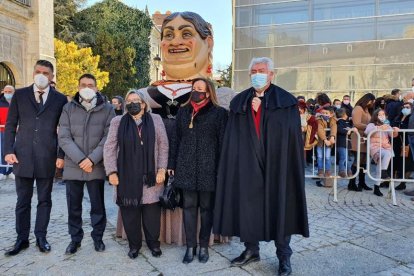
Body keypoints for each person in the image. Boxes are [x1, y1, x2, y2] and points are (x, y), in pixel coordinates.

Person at [134, 11, 232, 246]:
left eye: (186, 33)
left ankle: (202, 241)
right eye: (169, 35)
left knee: (203, 204)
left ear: (208, 43)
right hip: (162, 167)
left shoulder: (224, 99)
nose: (175, 41)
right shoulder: (141, 95)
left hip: (206, 167)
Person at [214, 57, 309, 276]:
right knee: (248, 208)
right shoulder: (239, 102)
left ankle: (284, 256)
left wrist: (262, 111)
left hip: (278, 166)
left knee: (280, 209)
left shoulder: (285, 101)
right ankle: (251, 249)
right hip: (247, 164)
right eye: (254, 71)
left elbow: (287, 135)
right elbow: (234, 136)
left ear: (271, 74)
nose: (258, 74)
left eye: (262, 70)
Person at [3, 60, 68, 256]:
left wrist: (61, 155)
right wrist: (8, 150)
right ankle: (21, 239)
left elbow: (64, 130)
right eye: (38, 71)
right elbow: (10, 124)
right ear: (33, 73)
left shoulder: (60, 99)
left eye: (46, 72)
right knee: (23, 201)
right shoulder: (20, 95)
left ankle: (41, 237)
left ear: (52, 76)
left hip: (47, 157)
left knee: (44, 200)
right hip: (22, 156)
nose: (41, 75)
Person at [167, 78, 227, 264]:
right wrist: (172, 164)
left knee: (206, 210)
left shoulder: (219, 113)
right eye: (194, 88)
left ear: (208, 92)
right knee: (189, 208)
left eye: (200, 89)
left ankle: (203, 246)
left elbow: (223, 143)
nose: (196, 92)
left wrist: (221, 169)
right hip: (186, 167)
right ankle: (190, 246)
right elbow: (175, 139)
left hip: (209, 169)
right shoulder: (183, 112)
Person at [104, 90, 168, 259]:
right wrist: (111, 171)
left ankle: (154, 244)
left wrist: (162, 169)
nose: (132, 103)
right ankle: (134, 246)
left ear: (144, 104)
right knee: (130, 214)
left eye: (136, 100)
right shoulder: (118, 121)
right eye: (129, 101)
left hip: (151, 176)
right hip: (126, 178)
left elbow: (163, 146)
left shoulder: (156, 120)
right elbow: (109, 148)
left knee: (152, 216)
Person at [58, 74, 115, 255]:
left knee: (97, 205)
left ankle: (97, 238)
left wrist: (91, 159)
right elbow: (64, 137)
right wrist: (81, 160)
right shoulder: (68, 108)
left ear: (97, 88)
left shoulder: (108, 109)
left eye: (90, 84)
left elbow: (109, 138)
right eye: (83, 84)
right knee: (73, 206)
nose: (87, 87)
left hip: (95, 165)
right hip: (74, 166)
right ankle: (75, 239)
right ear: (78, 87)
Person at [365, 109, 399, 196]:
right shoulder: (371, 124)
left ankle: (377, 187)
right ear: (375, 116)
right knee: (387, 154)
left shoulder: (386, 125)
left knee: (380, 167)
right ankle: (384, 172)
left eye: (383, 114)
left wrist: (395, 130)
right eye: (379, 114)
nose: (382, 116)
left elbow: (392, 135)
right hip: (375, 148)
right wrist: (379, 128)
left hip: (385, 147)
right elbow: (367, 132)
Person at [348, 93, 375, 192]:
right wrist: (370, 127)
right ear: (367, 100)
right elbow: (357, 123)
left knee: (363, 161)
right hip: (358, 137)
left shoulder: (367, 110)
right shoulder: (358, 108)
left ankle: (362, 182)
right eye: (372, 101)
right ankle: (351, 183)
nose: (372, 103)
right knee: (358, 160)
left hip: (365, 137)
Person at [391, 102, 414, 191]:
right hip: (397, 142)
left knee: (407, 163)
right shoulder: (399, 116)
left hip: (407, 142)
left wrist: (400, 129)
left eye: (407, 107)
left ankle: (403, 182)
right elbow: (394, 124)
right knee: (396, 161)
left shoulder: (411, 117)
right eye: (404, 107)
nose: (405, 109)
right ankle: (390, 180)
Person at [316, 106, 337, 178]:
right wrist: (325, 140)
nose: (324, 114)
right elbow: (320, 130)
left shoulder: (333, 119)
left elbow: (334, 127)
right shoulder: (319, 119)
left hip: (329, 141)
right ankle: (320, 170)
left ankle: (328, 170)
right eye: (323, 113)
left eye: (326, 113)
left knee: (328, 157)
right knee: (319, 156)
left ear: (331, 114)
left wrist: (332, 136)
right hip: (320, 141)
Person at [336, 108, 356, 178]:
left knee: (346, 158)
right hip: (341, 143)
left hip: (345, 143)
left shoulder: (345, 122)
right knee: (343, 158)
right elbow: (340, 130)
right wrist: (348, 131)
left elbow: (350, 128)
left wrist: (351, 128)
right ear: (344, 115)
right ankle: (341, 171)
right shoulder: (340, 122)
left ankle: (348, 171)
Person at [0, 85, 15, 180]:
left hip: (15, 131)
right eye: (6, 91)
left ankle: (12, 170)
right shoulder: (0, 102)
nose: (7, 93)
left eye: (10, 91)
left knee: (14, 150)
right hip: (2, 130)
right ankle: (2, 171)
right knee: (2, 150)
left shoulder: (17, 102)